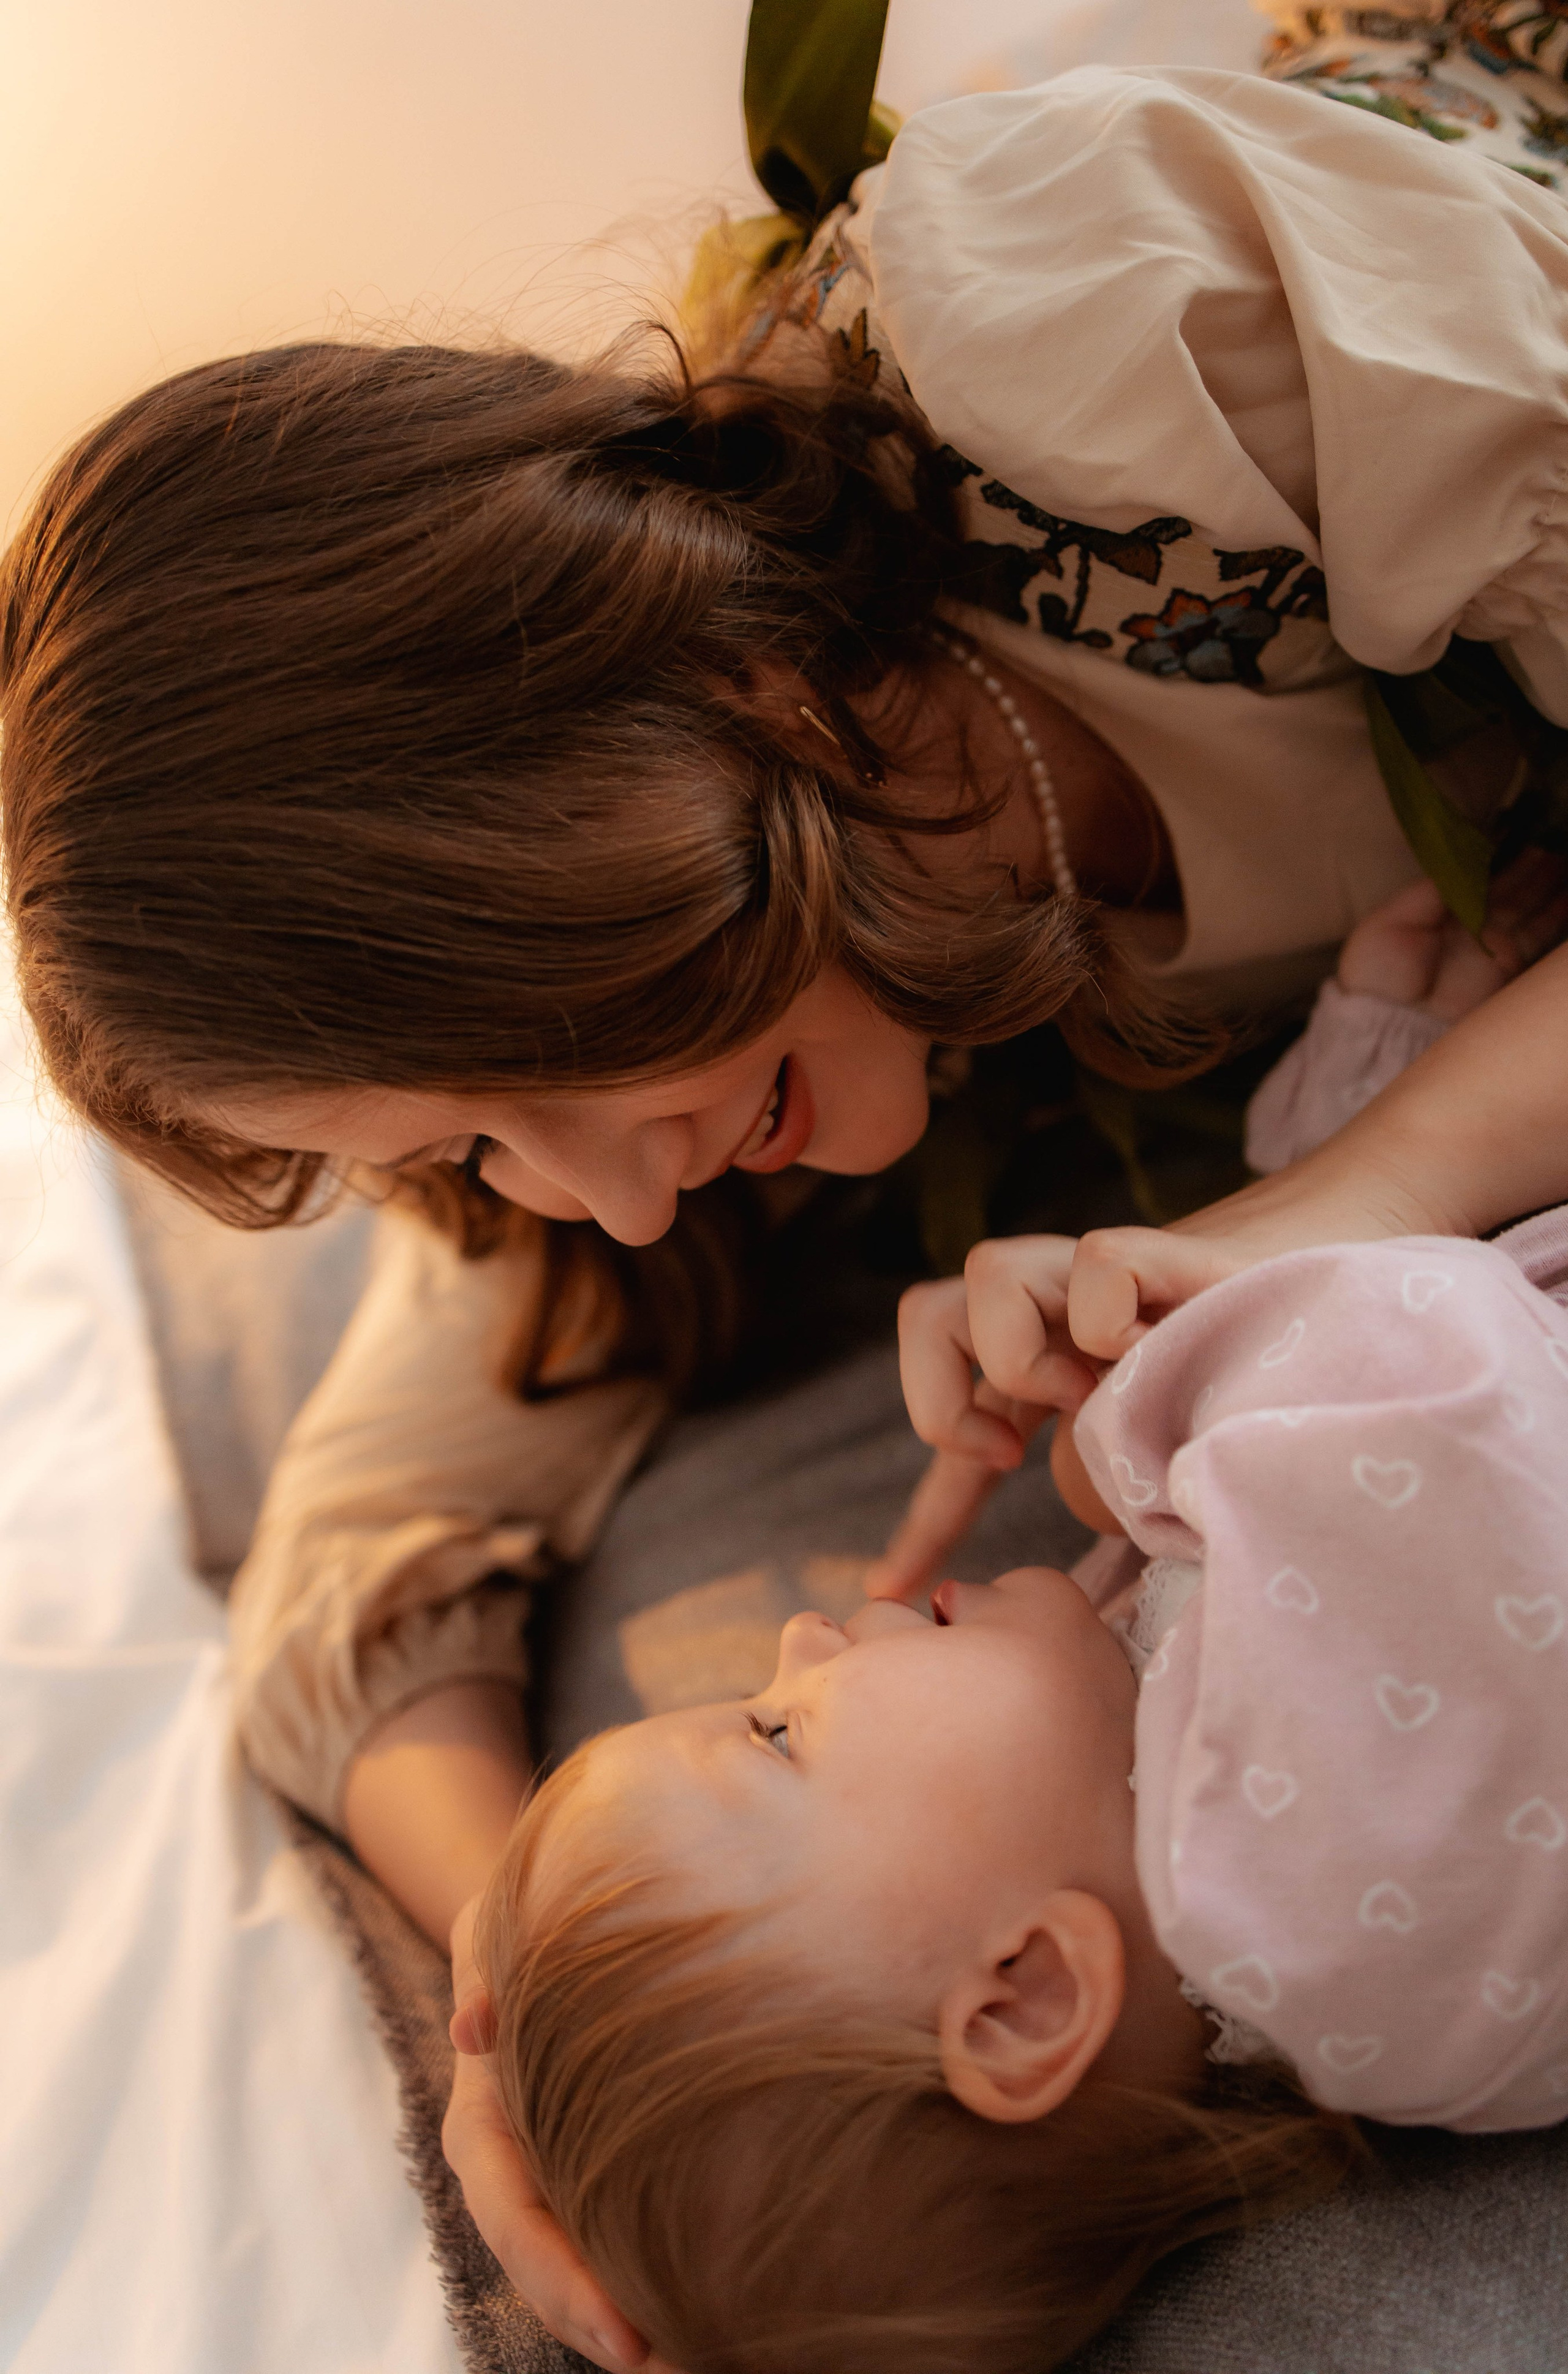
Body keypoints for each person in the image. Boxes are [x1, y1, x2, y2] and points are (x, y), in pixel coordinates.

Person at [7, 16, 1568, 2360]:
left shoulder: (1069, 316)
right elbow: (352, 1564)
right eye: (456, 1154)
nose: (602, 1214)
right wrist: (554, 2014)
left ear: (552, 812)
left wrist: (1305, 1221)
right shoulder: (680, 1128)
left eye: (507, 1074)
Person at [465, 1201, 1568, 2374]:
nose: (798, 1632)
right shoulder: (1329, 1841)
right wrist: (1143, 1391)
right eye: (779, 1734)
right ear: (1025, 1999)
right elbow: (1436, 1342)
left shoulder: (1160, 1764)